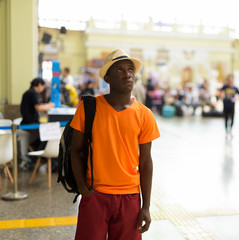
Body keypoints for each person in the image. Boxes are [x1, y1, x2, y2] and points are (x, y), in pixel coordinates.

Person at [70, 49, 160, 240]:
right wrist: (82, 189)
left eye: (130, 69)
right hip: (96, 194)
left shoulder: (144, 114)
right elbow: (75, 150)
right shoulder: (88, 108)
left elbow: (146, 162)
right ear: (108, 78)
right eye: (119, 70)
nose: (127, 74)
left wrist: (146, 206)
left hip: (130, 198)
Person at [20, 77, 55, 149]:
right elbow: (38, 108)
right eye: (43, 86)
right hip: (30, 124)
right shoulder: (33, 93)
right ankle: (39, 155)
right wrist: (50, 105)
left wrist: (44, 107)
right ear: (39, 85)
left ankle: (37, 153)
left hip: (26, 122)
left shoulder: (28, 92)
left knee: (46, 131)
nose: (43, 89)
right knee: (48, 133)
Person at [220, 74, 239, 138]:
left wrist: (236, 99)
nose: (230, 81)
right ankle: (226, 132)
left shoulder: (235, 88)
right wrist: (222, 97)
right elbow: (221, 92)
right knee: (226, 119)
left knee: (232, 119)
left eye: (231, 80)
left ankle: (230, 131)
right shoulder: (225, 87)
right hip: (226, 105)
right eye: (229, 80)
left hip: (232, 106)